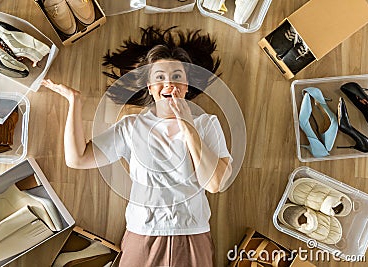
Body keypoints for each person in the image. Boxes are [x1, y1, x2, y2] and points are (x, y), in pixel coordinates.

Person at [42, 44, 232, 267]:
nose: (169, 83)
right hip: (143, 234)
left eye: (177, 76)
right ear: (151, 87)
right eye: (160, 77)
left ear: (186, 85)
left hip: (192, 233)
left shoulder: (207, 124)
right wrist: (74, 101)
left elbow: (215, 183)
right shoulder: (131, 127)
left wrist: (188, 127)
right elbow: (77, 158)